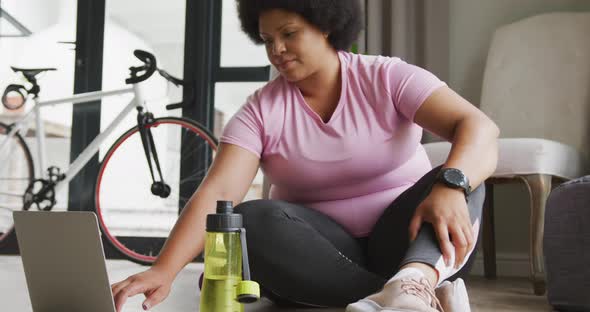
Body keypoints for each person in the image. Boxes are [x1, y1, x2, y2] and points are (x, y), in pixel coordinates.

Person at [111, 0, 499, 311]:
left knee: (462, 177)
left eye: (289, 34)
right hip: (317, 257)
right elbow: (218, 191)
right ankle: (409, 297)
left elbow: (479, 127)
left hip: (408, 239)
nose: (276, 50)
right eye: (266, 39)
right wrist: (163, 269)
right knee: (246, 219)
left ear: (326, 24)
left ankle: (412, 281)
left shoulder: (387, 77)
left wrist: (452, 184)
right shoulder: (259, 111)